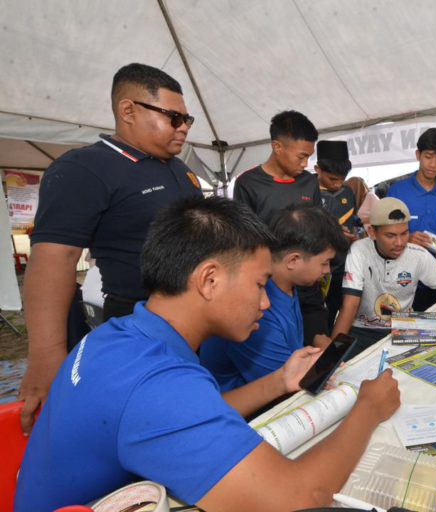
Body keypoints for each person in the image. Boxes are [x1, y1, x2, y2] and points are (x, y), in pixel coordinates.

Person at [15, 196, 400, 512]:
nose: (266, 302)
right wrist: (369, 408)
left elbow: (195, 412)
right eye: (260, 284)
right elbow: (300, 498)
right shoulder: (155, 383)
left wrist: (279, 382)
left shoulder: (124, 335)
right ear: (210, 280)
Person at [18, 63, 202, 434]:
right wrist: (46, 355)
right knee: (148, 424)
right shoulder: (85, 169)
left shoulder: (178, 170)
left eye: (188, 119)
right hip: (140, 326)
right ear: (128, 110)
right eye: (174, 117)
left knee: (188, 417)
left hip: (196, 325)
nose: (183, 127)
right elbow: (53, 263)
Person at [200, 204, 348, 392]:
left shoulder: (288, 287)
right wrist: (326, 358)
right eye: (324, 263)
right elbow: (292, 385)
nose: (327, 271)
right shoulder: (256, 311)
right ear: (293, 260)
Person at [332, 198, 436, 357]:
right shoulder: (359, 251)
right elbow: (350, 305)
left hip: (405, 327)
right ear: (372, 232)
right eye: (390, 235)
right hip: (363, 330)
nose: (399, 242)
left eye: (404, 233)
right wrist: (331, 354)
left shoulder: (418, 254)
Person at [233, 110, 327, 345]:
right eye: (301, 157)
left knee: (316, 347)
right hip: (271, 288)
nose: (305, 164)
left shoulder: (309, 182)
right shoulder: (248, 184)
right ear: (278, 147)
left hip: (308, 285)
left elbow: (317, 230)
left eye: (309, 157)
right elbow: (244, 241)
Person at [388, 127, 436, 311]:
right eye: (428, 157)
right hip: (405, 275)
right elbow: (383, 235)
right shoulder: (397, 190)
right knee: (407, 327)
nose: (433, 164)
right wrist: (407, 239)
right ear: (418, 154)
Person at [314, 140, 358, 327]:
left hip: (343, 266)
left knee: (337, 308)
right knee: (317, 314)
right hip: (317, 269)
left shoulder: (348, 192)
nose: (338, 184)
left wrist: (355, 235)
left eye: (342, 179)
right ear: (318, 170)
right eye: (333, 179)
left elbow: (353, 221)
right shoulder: (308, 191)